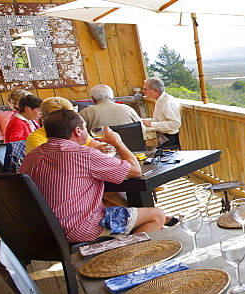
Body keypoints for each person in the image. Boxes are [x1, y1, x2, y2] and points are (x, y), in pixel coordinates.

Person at [21, 109, 167, 242]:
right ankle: (127, 257)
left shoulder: (31, 156)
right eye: (85, 127)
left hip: (42, 229)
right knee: (156, 216)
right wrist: (117, 142)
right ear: (78, 131)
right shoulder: (84, 155)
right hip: (78, 228)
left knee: (113, 202)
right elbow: (135, 171)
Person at [141, 77, 181, 150]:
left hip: (170, 140)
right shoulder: (159, 100)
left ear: (156, 90)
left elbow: (175, 124)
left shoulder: (168, 102)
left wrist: (151, 124)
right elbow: (159, 119)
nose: (143, 91)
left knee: (148, 154)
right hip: (161, 137)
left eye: (145, 89)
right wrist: (145, 121)